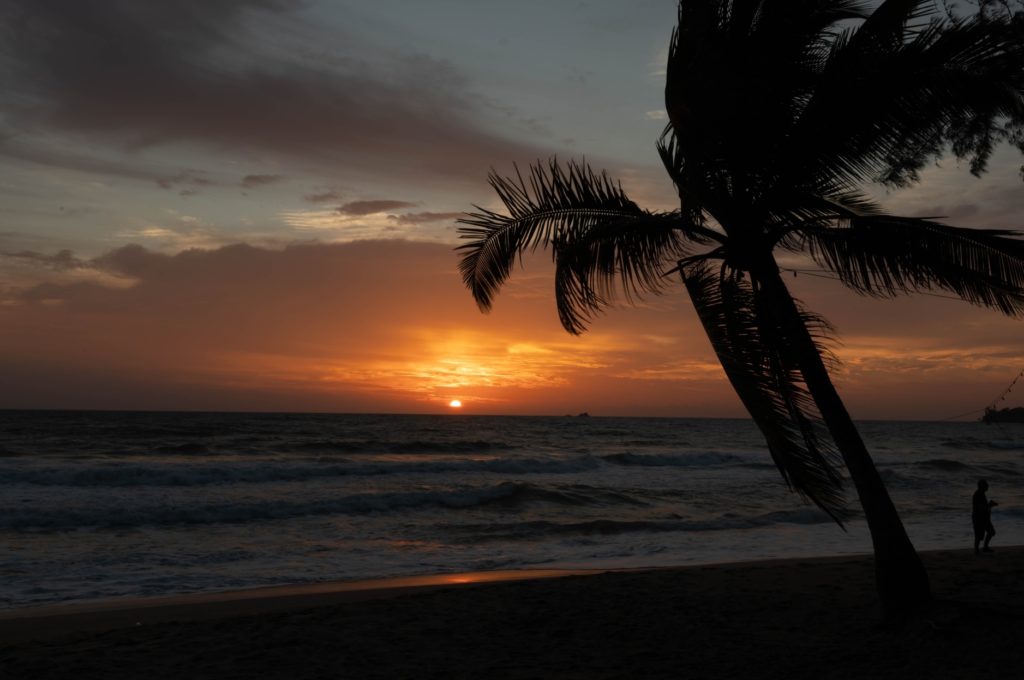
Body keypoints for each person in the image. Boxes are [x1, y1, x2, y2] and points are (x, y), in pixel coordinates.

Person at [973, 479, 997, 555]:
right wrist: (990, 505)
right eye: (986, 485)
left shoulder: (981, 494)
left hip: (983, 517)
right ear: (982, 486)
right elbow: (980, 508)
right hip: (979, 517)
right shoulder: (978, 495)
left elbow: (983, 507)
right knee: (979, 534)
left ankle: (985, 547)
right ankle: (977, 550)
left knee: (991, 532)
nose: (987, 486)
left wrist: (989, 506)